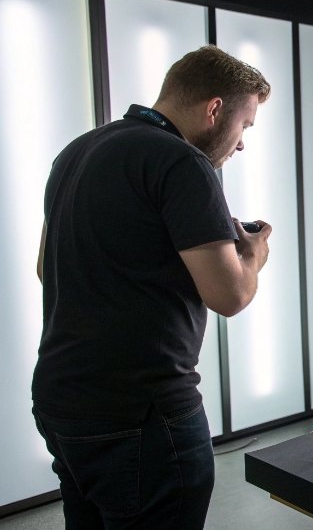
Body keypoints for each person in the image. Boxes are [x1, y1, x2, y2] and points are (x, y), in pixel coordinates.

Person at [31, 45, 272, 529]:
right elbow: (229, 296)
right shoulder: (183, 163)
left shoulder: (76, 152)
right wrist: (254, 256)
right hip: (141, 414)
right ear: (214, 109)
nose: (242, 143)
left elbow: (44, 267)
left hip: (62, 402)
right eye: (245, 125)